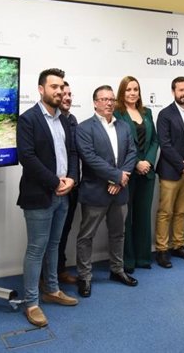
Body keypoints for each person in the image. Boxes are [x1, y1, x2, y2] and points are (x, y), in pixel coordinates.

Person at [17, 68, 79, 327]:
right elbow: (27, 158)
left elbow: (73, 153)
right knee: (36, 250)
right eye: (53, 86)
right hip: (39, 195)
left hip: (63, 194)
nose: (59, 91)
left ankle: (52, 290)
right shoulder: (28, 119)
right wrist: (55, 182)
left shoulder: (64, 119)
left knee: (54, 246)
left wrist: (72, 179)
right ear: (41, 89)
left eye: (61, 87)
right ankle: (31, 303)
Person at [75, 85, 138, 298]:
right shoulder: (84, 128)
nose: (109, 103)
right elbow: (90, 159)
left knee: (118, 233)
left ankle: (117, 270)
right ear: (95, 102)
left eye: (111, 99)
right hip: (95, 192)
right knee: (86, 236)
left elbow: (132, 153)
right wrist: (116, 176)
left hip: (119, 191)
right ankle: (84, 276)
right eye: (104, 99)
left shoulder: (124, 126)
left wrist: (120, 179)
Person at [154, 77, 184, 269]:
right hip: (171, 171)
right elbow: (165, 145)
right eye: (181, 90)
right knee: (165, 212)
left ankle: (178, 245)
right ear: (173, 91)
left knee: (182, 211)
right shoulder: (165, 114)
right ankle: (162, 249)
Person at [114, 76, 159, 272]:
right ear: (122, 93)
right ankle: (128, 260)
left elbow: (155, 141)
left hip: (147, 174)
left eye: (135, 89)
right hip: (128, 172)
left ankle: (143, 257)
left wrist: (148, 161)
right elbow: (120, 143)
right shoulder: (117, 113)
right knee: (127, 217)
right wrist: (137, 163)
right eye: (128, 90)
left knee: (143, 216)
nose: (133, 93)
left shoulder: (147, 112)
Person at [55, 82, 80, 284]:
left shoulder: (72, 120)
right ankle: (47, 276)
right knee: (50, 236)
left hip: (72, 186)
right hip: (53, 186)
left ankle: (59, 269)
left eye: (70, 94)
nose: (68, 97)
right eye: (64, 94)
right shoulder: (49, 121)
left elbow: (74, 154)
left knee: (64, 232)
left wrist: (72, 179)